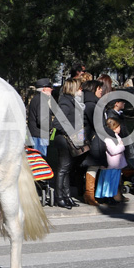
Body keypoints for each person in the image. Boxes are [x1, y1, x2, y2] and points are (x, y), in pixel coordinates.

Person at [51, 78, 85, 209]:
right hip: (64, 139)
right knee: (63, 168)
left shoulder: (72, 101)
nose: (81, 90)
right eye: (80, 88)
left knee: (67, 168)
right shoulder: (65, 102)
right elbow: (57, 123)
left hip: (69, 138)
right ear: (74, 88)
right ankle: (60, 197)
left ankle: (67, 196)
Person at [95, 117, 127, 202]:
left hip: (115, 164)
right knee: (108, 181)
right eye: (119, 126)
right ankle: (106, 196)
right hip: (111, 164)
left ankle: (109, 195)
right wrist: (122, 146)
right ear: (114, 127)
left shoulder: (115, 136)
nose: (120, 128)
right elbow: (113, 151)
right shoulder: (109, 138)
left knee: (112, 181)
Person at [27, 78, 53, 156]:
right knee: (40, 160)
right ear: (44, 88)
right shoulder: (42, 100)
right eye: (49, 87)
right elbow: (42, 120)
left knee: (36, 159)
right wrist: (50, 127)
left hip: (36, 134)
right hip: (40, 135)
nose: (51, 89)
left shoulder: (37, 98)